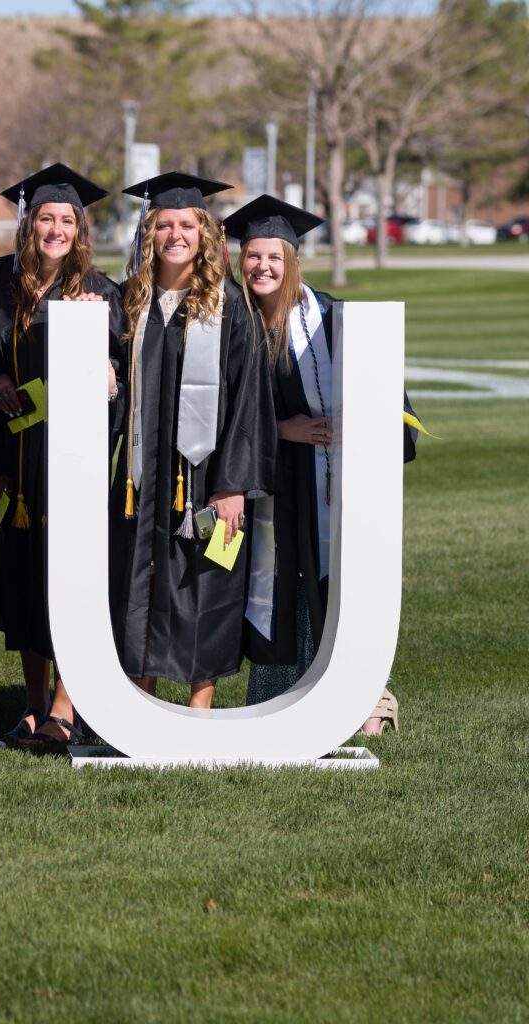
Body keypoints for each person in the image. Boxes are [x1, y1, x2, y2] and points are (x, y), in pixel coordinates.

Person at [227, 195, 417, 734]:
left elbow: (386, 399)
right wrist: (282, 430)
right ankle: (276, 696)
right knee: (276, 588)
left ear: (292, 262)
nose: (263, 267)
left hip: (327, 483)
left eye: (275, 258)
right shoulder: (233, 326)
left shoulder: (330, 319)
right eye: (253, 256)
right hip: (267, 479)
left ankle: (367, 698)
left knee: (335, 584)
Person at [112, 173, 276, 710]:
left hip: (205, 478)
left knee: (206, 579)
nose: (175, 234)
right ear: (148, 233)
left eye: (187, 224)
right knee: (143, 581)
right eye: (164, 224)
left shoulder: (229, 306)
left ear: (204, 233)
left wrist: (233, 484)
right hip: (142, 475)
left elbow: (249, 399)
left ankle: (198, 704)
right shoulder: (130, 304)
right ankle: (142, 696)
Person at [0, 164, 125, 749]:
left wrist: (107, 364)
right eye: (46, 218)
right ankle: (34, 706)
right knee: (23, 577)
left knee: (73, 574)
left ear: (79, 229)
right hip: (15, 455)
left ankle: (67, 704)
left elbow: (121, 374)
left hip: (73, 460)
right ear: (28, 224)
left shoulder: (102, 291)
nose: (56, 229)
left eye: (67, 220)